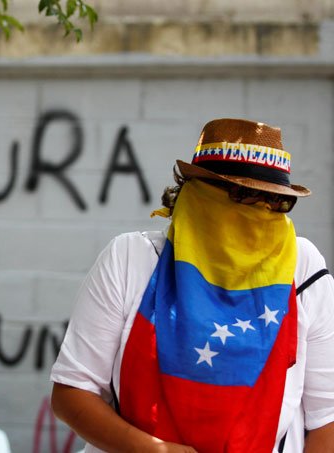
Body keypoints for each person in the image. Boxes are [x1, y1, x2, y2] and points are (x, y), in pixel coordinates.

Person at [50, 118, 334, 453]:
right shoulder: (133, 258)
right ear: (195, 193)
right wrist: (152, 449)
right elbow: (72, 391)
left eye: (277, 202)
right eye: (244, 195)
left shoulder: (301, 268)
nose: (263, 213)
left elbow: (326, 416)